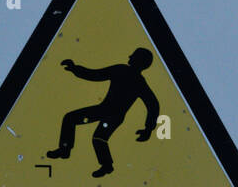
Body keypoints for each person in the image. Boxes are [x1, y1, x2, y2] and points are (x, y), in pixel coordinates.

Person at [45, 47, 160, 178]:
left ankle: (106, 166)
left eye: (132, 56)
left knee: (98, 138)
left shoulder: (135, 79)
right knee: (71, 119)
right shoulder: (121, 70)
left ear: (139, 61)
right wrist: (74, 68)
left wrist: (149, 128)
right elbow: (95, 75)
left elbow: (153, 105)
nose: (129, 57)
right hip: (103, 110)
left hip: (114, 116)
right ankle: (64, 150)